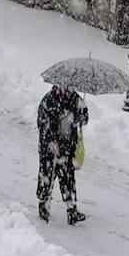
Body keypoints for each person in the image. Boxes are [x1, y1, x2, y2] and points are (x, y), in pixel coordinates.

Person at [36, 84, 87, 225]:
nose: (69, 91)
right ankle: (43, 206)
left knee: (68, 180)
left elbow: (84, 116)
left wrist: (82, 117)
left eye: (71, 88)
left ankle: (72, 211)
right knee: (47, 177)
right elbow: (42, 123)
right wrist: (50, 141)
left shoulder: (76, 100)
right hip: (49, 149)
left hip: (67, 148)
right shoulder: (49, 100)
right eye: (67, 88)